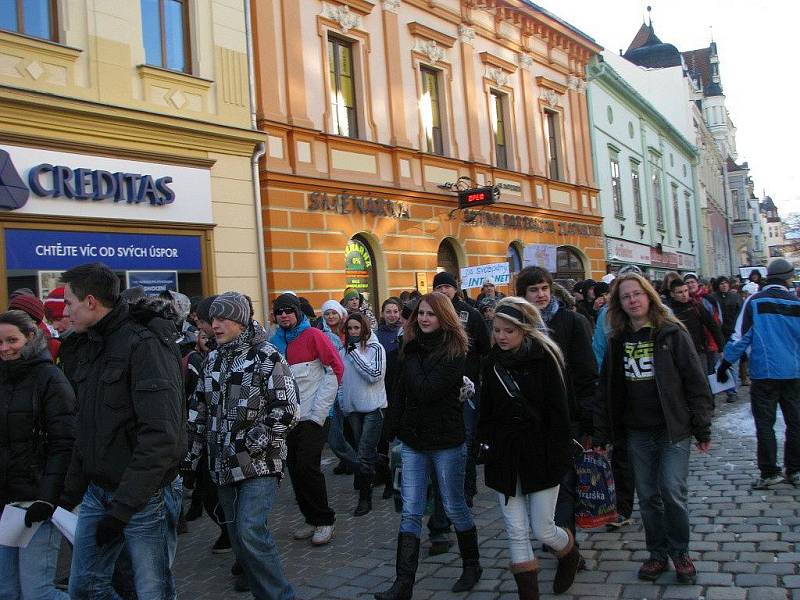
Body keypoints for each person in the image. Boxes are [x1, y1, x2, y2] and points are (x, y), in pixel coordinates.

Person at [59, 263, 185, 599]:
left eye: (68, 301)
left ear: (89, 301)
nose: (64, 310)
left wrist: (124, 507)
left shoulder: (144, 343)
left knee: (151, 590)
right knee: (84, 587)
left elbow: (161, 435)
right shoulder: (88, 344)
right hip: (98, 490)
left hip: (144, 496)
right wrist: (68, 493)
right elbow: (86, 426)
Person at [595, 272, 713, 584]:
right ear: (618, 304)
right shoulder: (617, 340)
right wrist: (603, 431)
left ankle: (680, 552)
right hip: (637, 430)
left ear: (649, 296)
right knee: (647, 496)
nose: (632, 300)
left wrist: (703, 427)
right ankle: (657, 553)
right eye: (625, 297)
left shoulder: (671, 333)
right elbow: (607, 389)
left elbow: (695, 381)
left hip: (672, 428)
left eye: (637, 294)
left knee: (672, 491)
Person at [187, 292, 299, 599]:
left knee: (251, 530)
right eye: (213, 319)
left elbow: (288, 408)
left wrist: (254, 442)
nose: (216, 325)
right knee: (238, 538)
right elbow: (199, 412)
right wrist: (190, 459)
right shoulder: (212, 359)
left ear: (240, 320)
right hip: (223, 467)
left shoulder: (266, 355)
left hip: (260, 463)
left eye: (223, 319)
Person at [377, 292, 481, 600]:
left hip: (446, 440)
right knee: (410, 510)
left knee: (453, 505)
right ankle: (403, 584)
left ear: (444, 317)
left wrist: (408, 357)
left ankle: (472, 565)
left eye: (431, 314)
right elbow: (397, 394)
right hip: (413, 439)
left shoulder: (455, 350)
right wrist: (387, 435)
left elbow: (425, 390)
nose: (423, 318)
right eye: (420, 313)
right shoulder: (408, 349)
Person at [479, 297, 582, 598]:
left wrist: (559, 452)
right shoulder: (491, 363)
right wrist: (485, 446)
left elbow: (560, 412)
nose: (501, 336)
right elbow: (486, 412)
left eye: (508, 330)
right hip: (505, 455)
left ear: (524, 330)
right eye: (497, 330)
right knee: (515, 530)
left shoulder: (546, 359)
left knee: (543, 529)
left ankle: (569, 553)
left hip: (542, 454)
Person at [515, 266, 600, 540]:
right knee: (541, 483)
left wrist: (587, 417)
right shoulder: (518, 328)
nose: (540, 295)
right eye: (533, 290)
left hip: (565, 416)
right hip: (531, 419)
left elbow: (586, 373)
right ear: (523, 294)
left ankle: (567, 545)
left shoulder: (572, 322)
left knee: (565, 483)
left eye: (544, 288)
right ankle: (551, 533)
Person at [0, 310, 76, 600]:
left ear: (30, 338)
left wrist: (48, 497)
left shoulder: (49, 378)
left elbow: (64, 442)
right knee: (6, 590)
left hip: (35, 498)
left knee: (38, 592)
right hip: (5, 500)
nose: (5, 348)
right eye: (0, 341)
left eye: (12, 340)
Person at [718, 258, 800, 489]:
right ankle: (795, 469)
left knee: (765, 424)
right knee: (795, 423)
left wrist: (726, 363)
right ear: (787, 278)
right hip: (793, 373)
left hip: (764, 373)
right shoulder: (796, 303)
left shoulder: (755, 301)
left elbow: (741, 335)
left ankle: (769, 472)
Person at [271, 293, 343, 546]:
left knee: (307, 467)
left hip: (315, 417)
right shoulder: (274, 342)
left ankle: (325, 520)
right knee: (294, 469)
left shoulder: (314, 336)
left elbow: (335, 369)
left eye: (289, 310)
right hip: (289, 419)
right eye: (279, 311)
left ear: (298, 313)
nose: (284, 315)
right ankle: (310, 518)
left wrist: (319, 413)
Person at [338, 312, 387, 516]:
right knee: (365, 452)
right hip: (353, 410)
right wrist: (343, 402)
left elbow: (374, 375)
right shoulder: (344, 351)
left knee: (364, 455)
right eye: (349, 328)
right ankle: (387, 470)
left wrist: (355, 354)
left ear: (364, 328)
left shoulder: (375, 348)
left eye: (356, 328)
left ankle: (364, 499)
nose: (353, 332)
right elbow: (340, 378)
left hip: (373, 408)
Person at [666, 279, 724, 375]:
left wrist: (721, 348)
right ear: (672, 294)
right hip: (679, 354)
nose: (684, 295)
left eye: (686, 291)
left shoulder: (695, 305)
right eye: (680, 292)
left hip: (699, 351)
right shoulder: (669, 311)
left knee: (702, 381)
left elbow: (712, 326)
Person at [711, 277, 743, 403]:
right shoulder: (713, 298)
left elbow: (741, 314)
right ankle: (723, 387)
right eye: (721, 283)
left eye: (725, 283)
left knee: (733, 364)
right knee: (718, 364)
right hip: (718, 335)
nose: (723, 285)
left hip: (733, 335)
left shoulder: (735, 297)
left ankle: (732, 391)